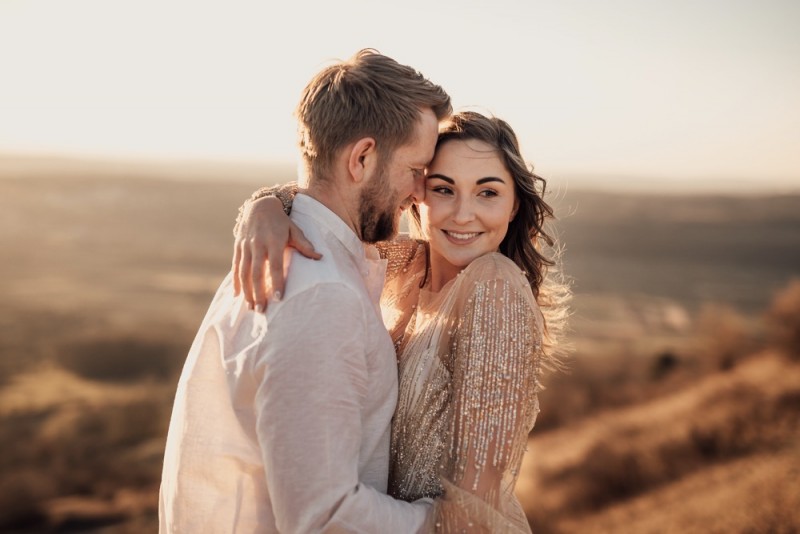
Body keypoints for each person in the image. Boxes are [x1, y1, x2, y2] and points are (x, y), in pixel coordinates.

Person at [158, 48, 452, 533]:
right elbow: (324, 516)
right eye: (415, 170)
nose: (420, 192)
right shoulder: (323, 295)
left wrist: (268, 201)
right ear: (361, 158)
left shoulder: (288, 248)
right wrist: (448, 523)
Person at [235, 111, 570, 532]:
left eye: (487, 193)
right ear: (417, 193)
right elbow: (330, 204)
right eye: (444, 189)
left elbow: (477, 498)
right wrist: (264, 207)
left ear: (514, 203)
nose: (463, 214)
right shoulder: (404, 262)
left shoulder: (495, 286)